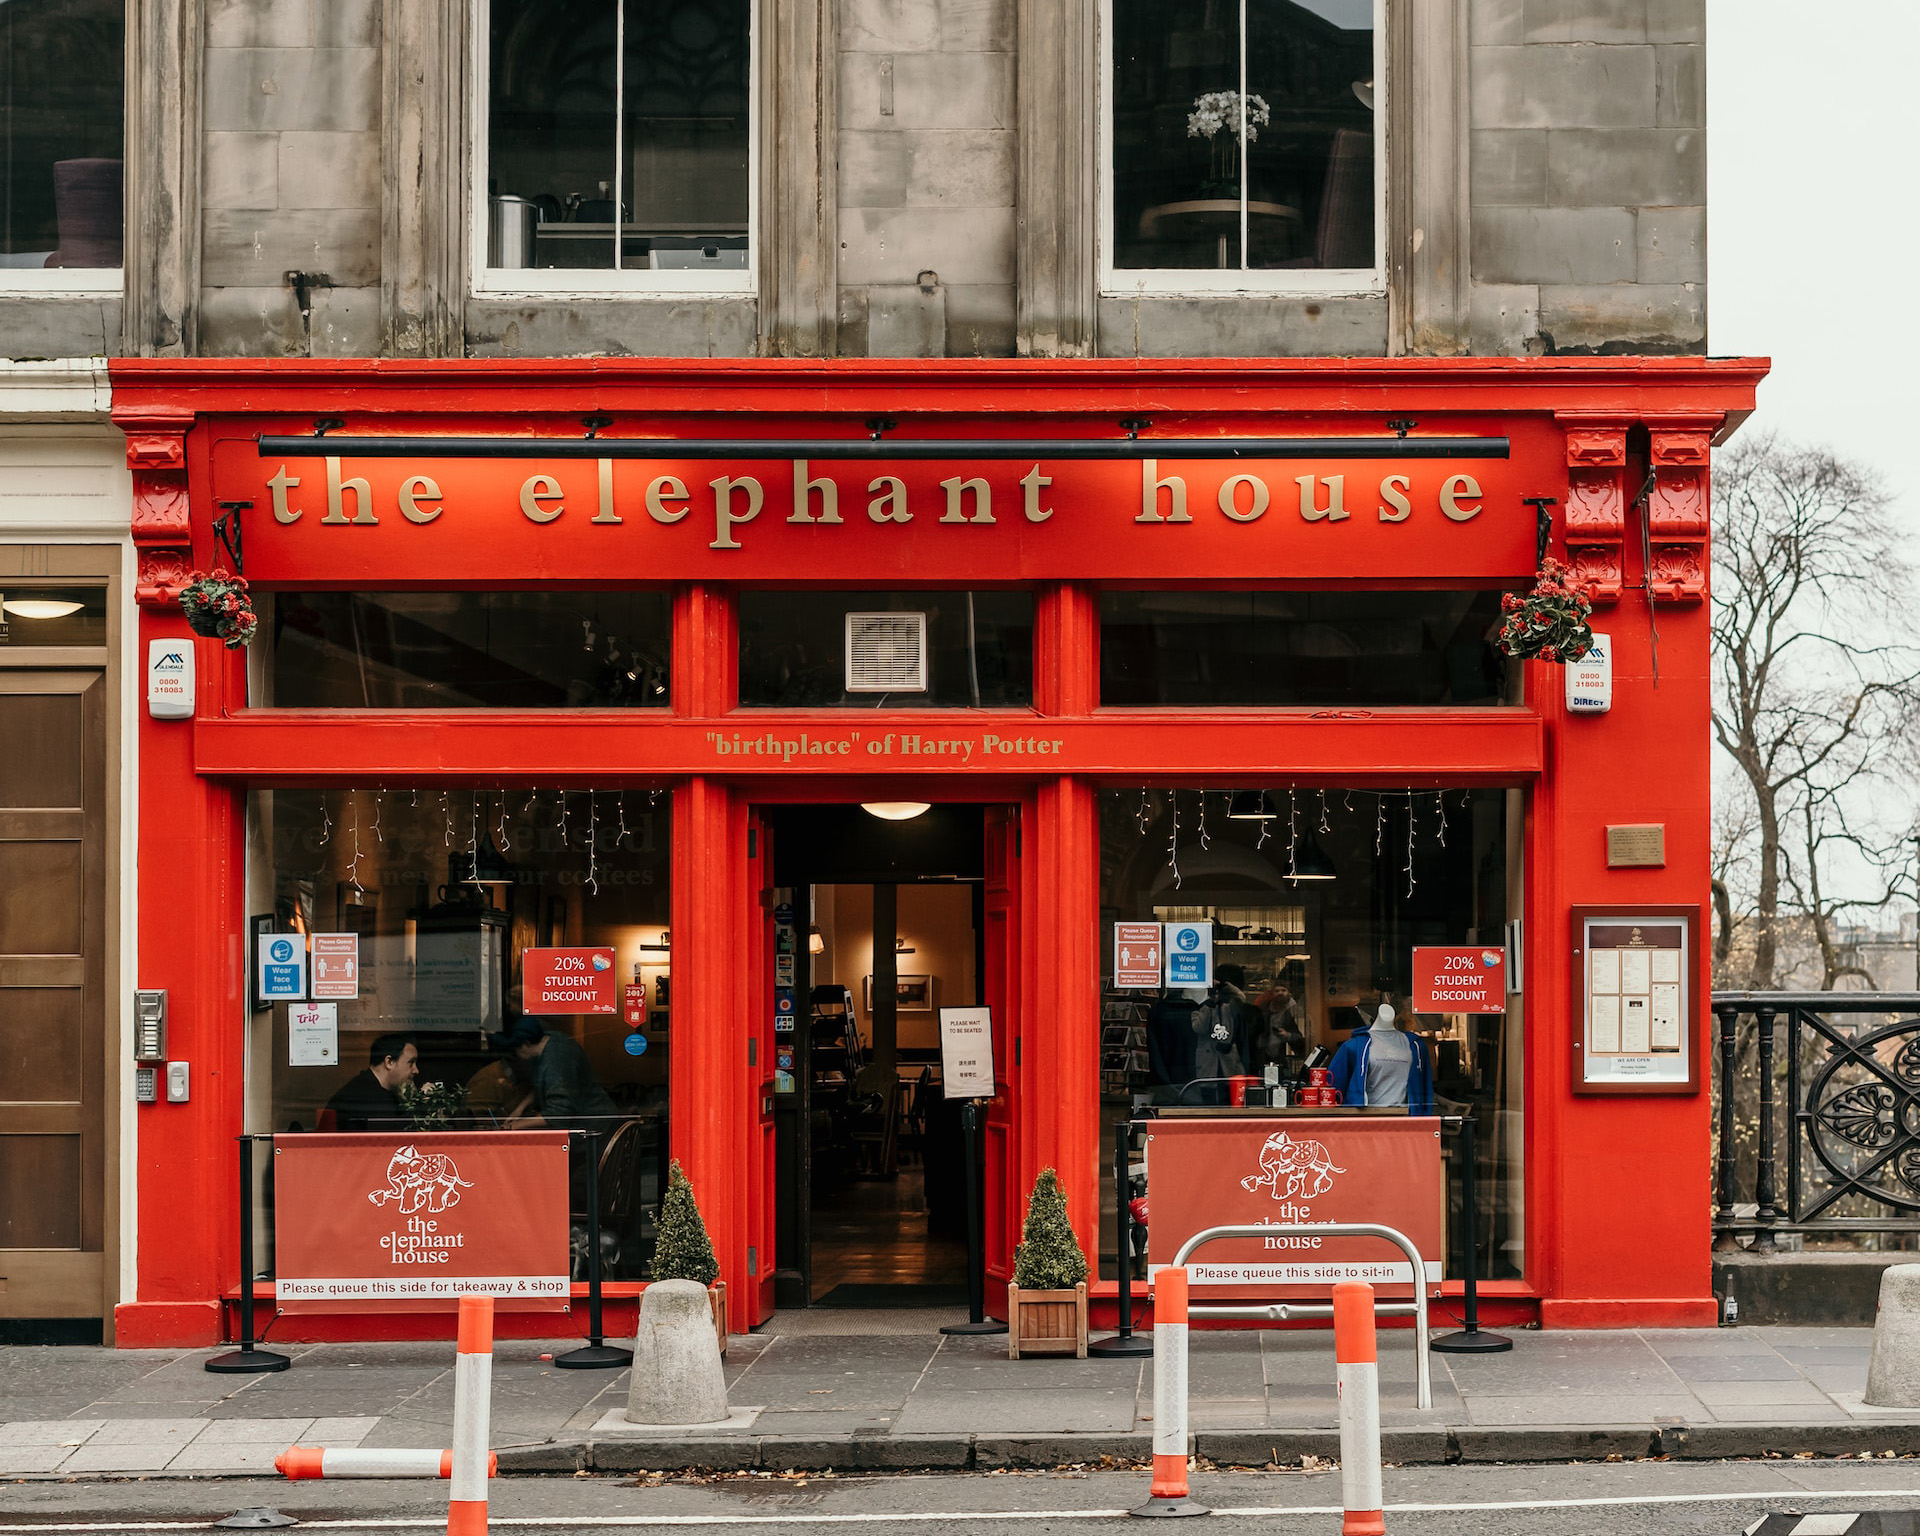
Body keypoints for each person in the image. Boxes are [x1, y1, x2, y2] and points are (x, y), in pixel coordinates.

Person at [495, 1017, 619, 1135]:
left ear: (526, 1044)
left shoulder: (556, 1059)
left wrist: (515, 1126)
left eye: (516, 1051)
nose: (516, 1057)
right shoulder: (549, 1039)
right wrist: (519, 1110)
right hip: (591, 1125)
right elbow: (543, 1085)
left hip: (595, 1130)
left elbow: (559, 1113)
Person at [1329, 1003, 1434, 1114]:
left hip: (1404, 1116)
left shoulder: (1415, 1046)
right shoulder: (1354, 1046)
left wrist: (1425, 1116)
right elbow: (1333, 1085)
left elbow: (1425, 1086)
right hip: (1365, 1117)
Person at [322, 1033, 418, 1131]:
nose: (416, 1070)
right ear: (389, 1062)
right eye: (411, 1063)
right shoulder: (364, 1096)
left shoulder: (370, 1089)